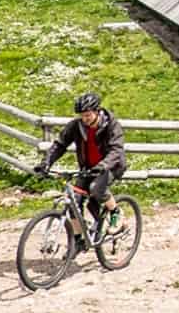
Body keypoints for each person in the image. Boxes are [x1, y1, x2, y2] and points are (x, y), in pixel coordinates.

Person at [35, 92, 127, 234]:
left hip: (111, 166)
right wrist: (46, 163)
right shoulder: (76, 126)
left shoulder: (112, 125)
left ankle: (116, 212)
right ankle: (78, 240)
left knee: (96, 188)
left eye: (88, 115)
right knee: (73, 202)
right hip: (88, 168)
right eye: (82, 115)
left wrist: (102, 166)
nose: (84, 119)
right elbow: (60, 145)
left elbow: (116, 150)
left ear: (97, 111)